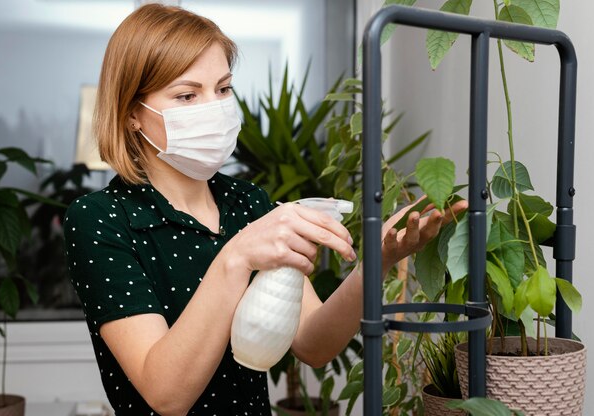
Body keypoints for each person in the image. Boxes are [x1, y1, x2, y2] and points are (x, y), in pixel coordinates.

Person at [63, 4, 466, 416]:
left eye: (222, 89)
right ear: (132, 113)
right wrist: (237, 256)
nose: (214, 108)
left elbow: (313, 343)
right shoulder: (101, 218)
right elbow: (166, 395)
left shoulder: (248, 203)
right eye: (187, 95)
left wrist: (375, 263)